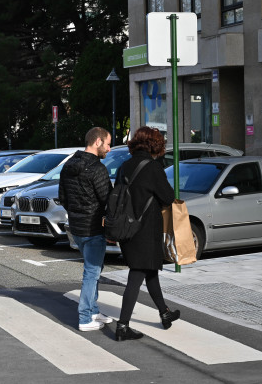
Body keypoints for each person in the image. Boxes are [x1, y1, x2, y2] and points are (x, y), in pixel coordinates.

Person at [115, 126, 179, 341]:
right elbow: (168, 197)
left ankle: (165, 313)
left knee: (149, 271)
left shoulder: (124, 167)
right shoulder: (152, 168)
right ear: (155, 145)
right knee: (137, 275)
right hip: (146, 230)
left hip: (127, 228)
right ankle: (122, 326)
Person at [59, 127, 113, 331]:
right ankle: (85, 318)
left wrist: (76, 213)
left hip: (76, 227)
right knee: (92, 272)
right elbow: (107, 198)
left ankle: (93, 310)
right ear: (97, 142)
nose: (109, 148)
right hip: (93, 227)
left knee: (95, 269)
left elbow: (63, 197)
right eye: (107, 143)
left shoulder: (68, 165)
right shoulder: (97, 168)